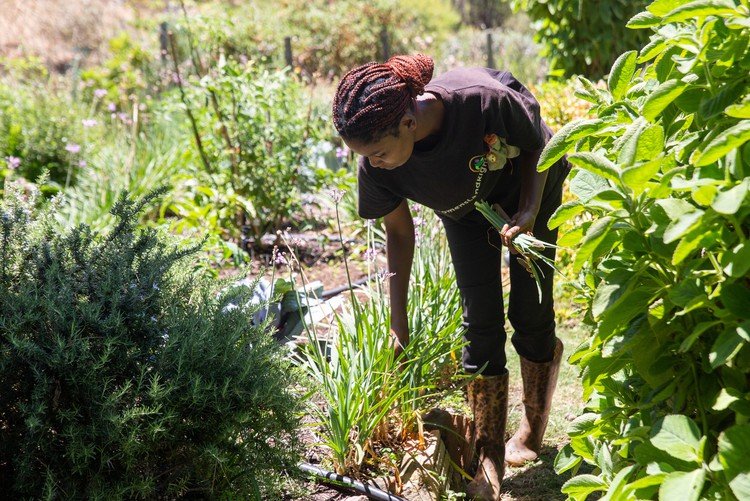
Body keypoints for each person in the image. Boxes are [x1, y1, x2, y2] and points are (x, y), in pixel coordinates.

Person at [332, 54, 568, 500]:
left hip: (530, 191)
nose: (374, 163)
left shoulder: (483, 102)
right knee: (479, 324)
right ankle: (488, 458)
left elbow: (538, 146)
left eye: (379, 152)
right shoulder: (376, 165)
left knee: (530, 311)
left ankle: (532, 431)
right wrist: (397, 325)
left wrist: (529, 211)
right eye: (365, 156)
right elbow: (399, 235)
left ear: (407, 122)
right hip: (465, 215)